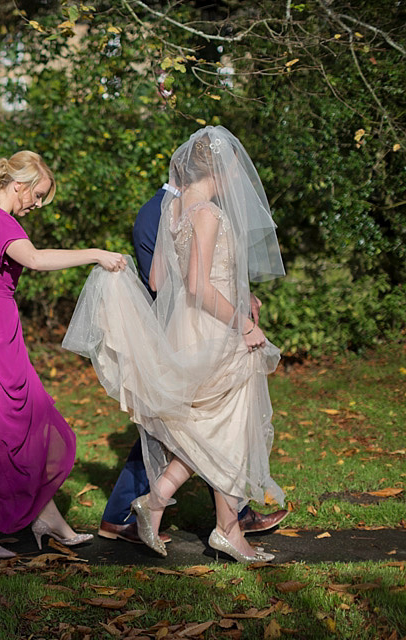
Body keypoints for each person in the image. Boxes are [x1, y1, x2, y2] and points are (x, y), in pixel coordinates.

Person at [65, 126, 286, 563]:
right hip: (213, 326)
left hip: (185, 328)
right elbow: (200, 286)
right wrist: (243, 323)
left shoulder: (175, 211)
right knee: (228, 428)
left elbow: (157, 280)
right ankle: (225, 530)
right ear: (218, 172)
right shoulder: (207, 214)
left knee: (203, 428)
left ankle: (157, 502)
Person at [0, 150, 128, 558]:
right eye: (38, 194)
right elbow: (35, 258)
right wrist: (96, 254)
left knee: (32, 416)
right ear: (19, 185)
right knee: (4, 427)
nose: (38, 204)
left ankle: (45, 516)